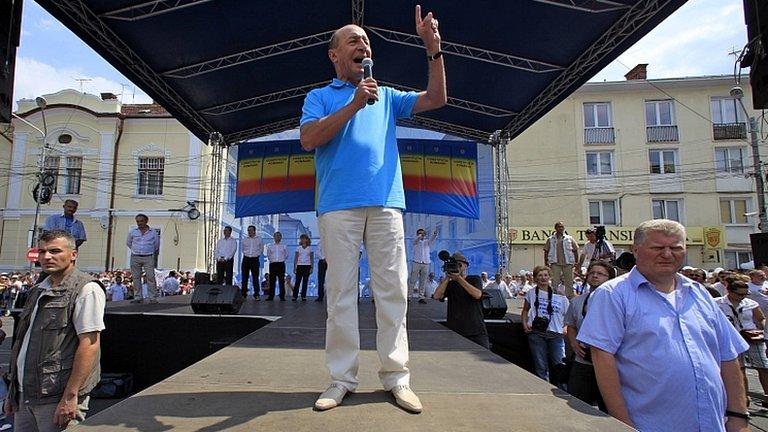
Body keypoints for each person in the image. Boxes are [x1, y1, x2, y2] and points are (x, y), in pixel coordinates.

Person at [299, 5, 446, 413]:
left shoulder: (387, 96)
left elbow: (437, 98)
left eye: (365, 41)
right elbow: (310, 139)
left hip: (385, 204)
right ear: (334, 54)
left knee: (393, 292)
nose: (362, 46)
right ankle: (341, 379)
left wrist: (432, 49)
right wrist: (353, 104)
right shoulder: (320, 97)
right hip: (337, 207)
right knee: (341, 293)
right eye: (353, 41)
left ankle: (397, 377)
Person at [578, 219, 750, 431]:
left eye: (676, 248)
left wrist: (738, 417)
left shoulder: (699, 293)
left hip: (712, 424)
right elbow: (603, 359)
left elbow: (728, 355)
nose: (667, 254)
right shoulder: (613, 295)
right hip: (650, 424)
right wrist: (623, 424)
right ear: (636, 250)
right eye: (658, 247)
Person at [6, 230, 105, 431]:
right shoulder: (38, 289)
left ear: (73, 254)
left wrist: (71, 396)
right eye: (42, 252)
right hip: (24, 395)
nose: (47, 257)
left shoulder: (86, 289)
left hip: (56, 395)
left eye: (55, 251)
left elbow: (90, 346)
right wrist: (12, 393)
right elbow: (23, 343)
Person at [564, 261, 615, 411]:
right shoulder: (577, 301)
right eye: (592, 273)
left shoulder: (617, 301)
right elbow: (571, 325)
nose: (595, 276)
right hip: (583, 362)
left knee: (608, 409)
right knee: (577, 404)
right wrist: (573, 344)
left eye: (600, 274)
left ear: (610, 278)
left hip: (609, 364)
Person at [716, 275, 768, 408]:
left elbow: (761, 318)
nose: (743, 297)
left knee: (763, 366)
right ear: (730, 291)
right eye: (740, 294)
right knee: (740, 369)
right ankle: (744, 398)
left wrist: (764, 333)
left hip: (752, 337)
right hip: (732, 340)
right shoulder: (718, 303)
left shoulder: (750, 303)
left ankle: (767, 396)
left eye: (746, 294)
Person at [520, 266, 569, 382]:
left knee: (560, 365)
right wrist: (524, 323)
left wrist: (566, 327)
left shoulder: (559, 294)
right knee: (541, 367)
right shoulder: (531, 293)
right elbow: (525, 310)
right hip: (537, 333)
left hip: (556, 334)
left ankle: (563, 391)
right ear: (535, 278)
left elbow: (568, 315)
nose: (543, 278)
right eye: (540, 275)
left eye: (545, 275)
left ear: (550, 277)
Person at [432, 252, 488, 348]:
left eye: (459, 264)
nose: (456, 267)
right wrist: (447, 277)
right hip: (456, 330)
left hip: (475, 330)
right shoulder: (450, 284)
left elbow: (477, 294)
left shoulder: (474, 279)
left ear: (465, 266)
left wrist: (459, 278)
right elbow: (437, 296)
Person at [126, 214, 159, 304]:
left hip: (148, 257)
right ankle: (138, 297)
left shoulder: (153, 232)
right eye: (138, 221)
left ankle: (152, 298)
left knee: (150, 277)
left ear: (146, 221)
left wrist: (148, 251)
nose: (139, 223)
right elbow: (129, 243)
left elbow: (156, 245)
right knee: (136, 278)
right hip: (135, 257)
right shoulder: (133, 232)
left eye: (141, 221)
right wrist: (136, 250)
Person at [543, 221, 579, 298]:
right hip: (555, 263)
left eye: (562, 227)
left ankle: (570, 298)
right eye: (559, 227)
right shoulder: (551, 239)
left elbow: (575, 250)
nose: (560, 228)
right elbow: (546, 251)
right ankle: (554, 298)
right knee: (554, 282)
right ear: (555, 228)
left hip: (568, 263)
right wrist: (546, 263)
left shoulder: (569, 238)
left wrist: (576, 262)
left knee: (569, 282)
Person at [409, 228, 438, 303]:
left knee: (423, 280)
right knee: (413, 280)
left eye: (422, 233)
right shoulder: (415, 241)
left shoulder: (427, 242)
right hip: (416, 262)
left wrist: (435, 235)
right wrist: (419, 237)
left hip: (426, 263)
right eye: (419, 233)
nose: (421, 234)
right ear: (417, 234)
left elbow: (432, 240)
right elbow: (415, 240)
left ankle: (421, 297)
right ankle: (409, 296)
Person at [241, 225, 263, 298]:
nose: (249, 232)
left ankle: (256, 294)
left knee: (255, 277)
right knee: (244, 277)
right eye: (248, 230)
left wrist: (256, 255)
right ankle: (243, 293)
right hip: (246, 259)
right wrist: (246, 254)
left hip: (255, 259)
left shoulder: (259, 239)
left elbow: (261, 249)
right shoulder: (245, 239)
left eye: (251, 230)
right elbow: (243, 249)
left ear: (254, 231)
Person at [266, 232, 287, 301]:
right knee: (272, 281)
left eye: (279, 236)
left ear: (281, 237)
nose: (277, 237)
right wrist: (273, 260)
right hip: (273, 264)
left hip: (281, 264)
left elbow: (286, 255)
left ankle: (282, 296)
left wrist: (281, 260)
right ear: (274, 237)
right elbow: (268, 255)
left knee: (281, 281)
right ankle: (271, 296)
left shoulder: (284, 246)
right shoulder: (270, 246)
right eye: (276, 236)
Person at [293, 234, 314, 301]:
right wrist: (294, 267)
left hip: (307, 266)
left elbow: (312, 259)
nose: (303, 240)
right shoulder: (298, 248)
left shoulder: (310, 248)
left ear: (307, 240)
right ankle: (295, 296)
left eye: (304, 238)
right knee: (297, 281)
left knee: (305, 281)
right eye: (302, 239)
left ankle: (303, 296)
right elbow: (296, 258)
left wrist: (311, 267)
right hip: (299, 266)